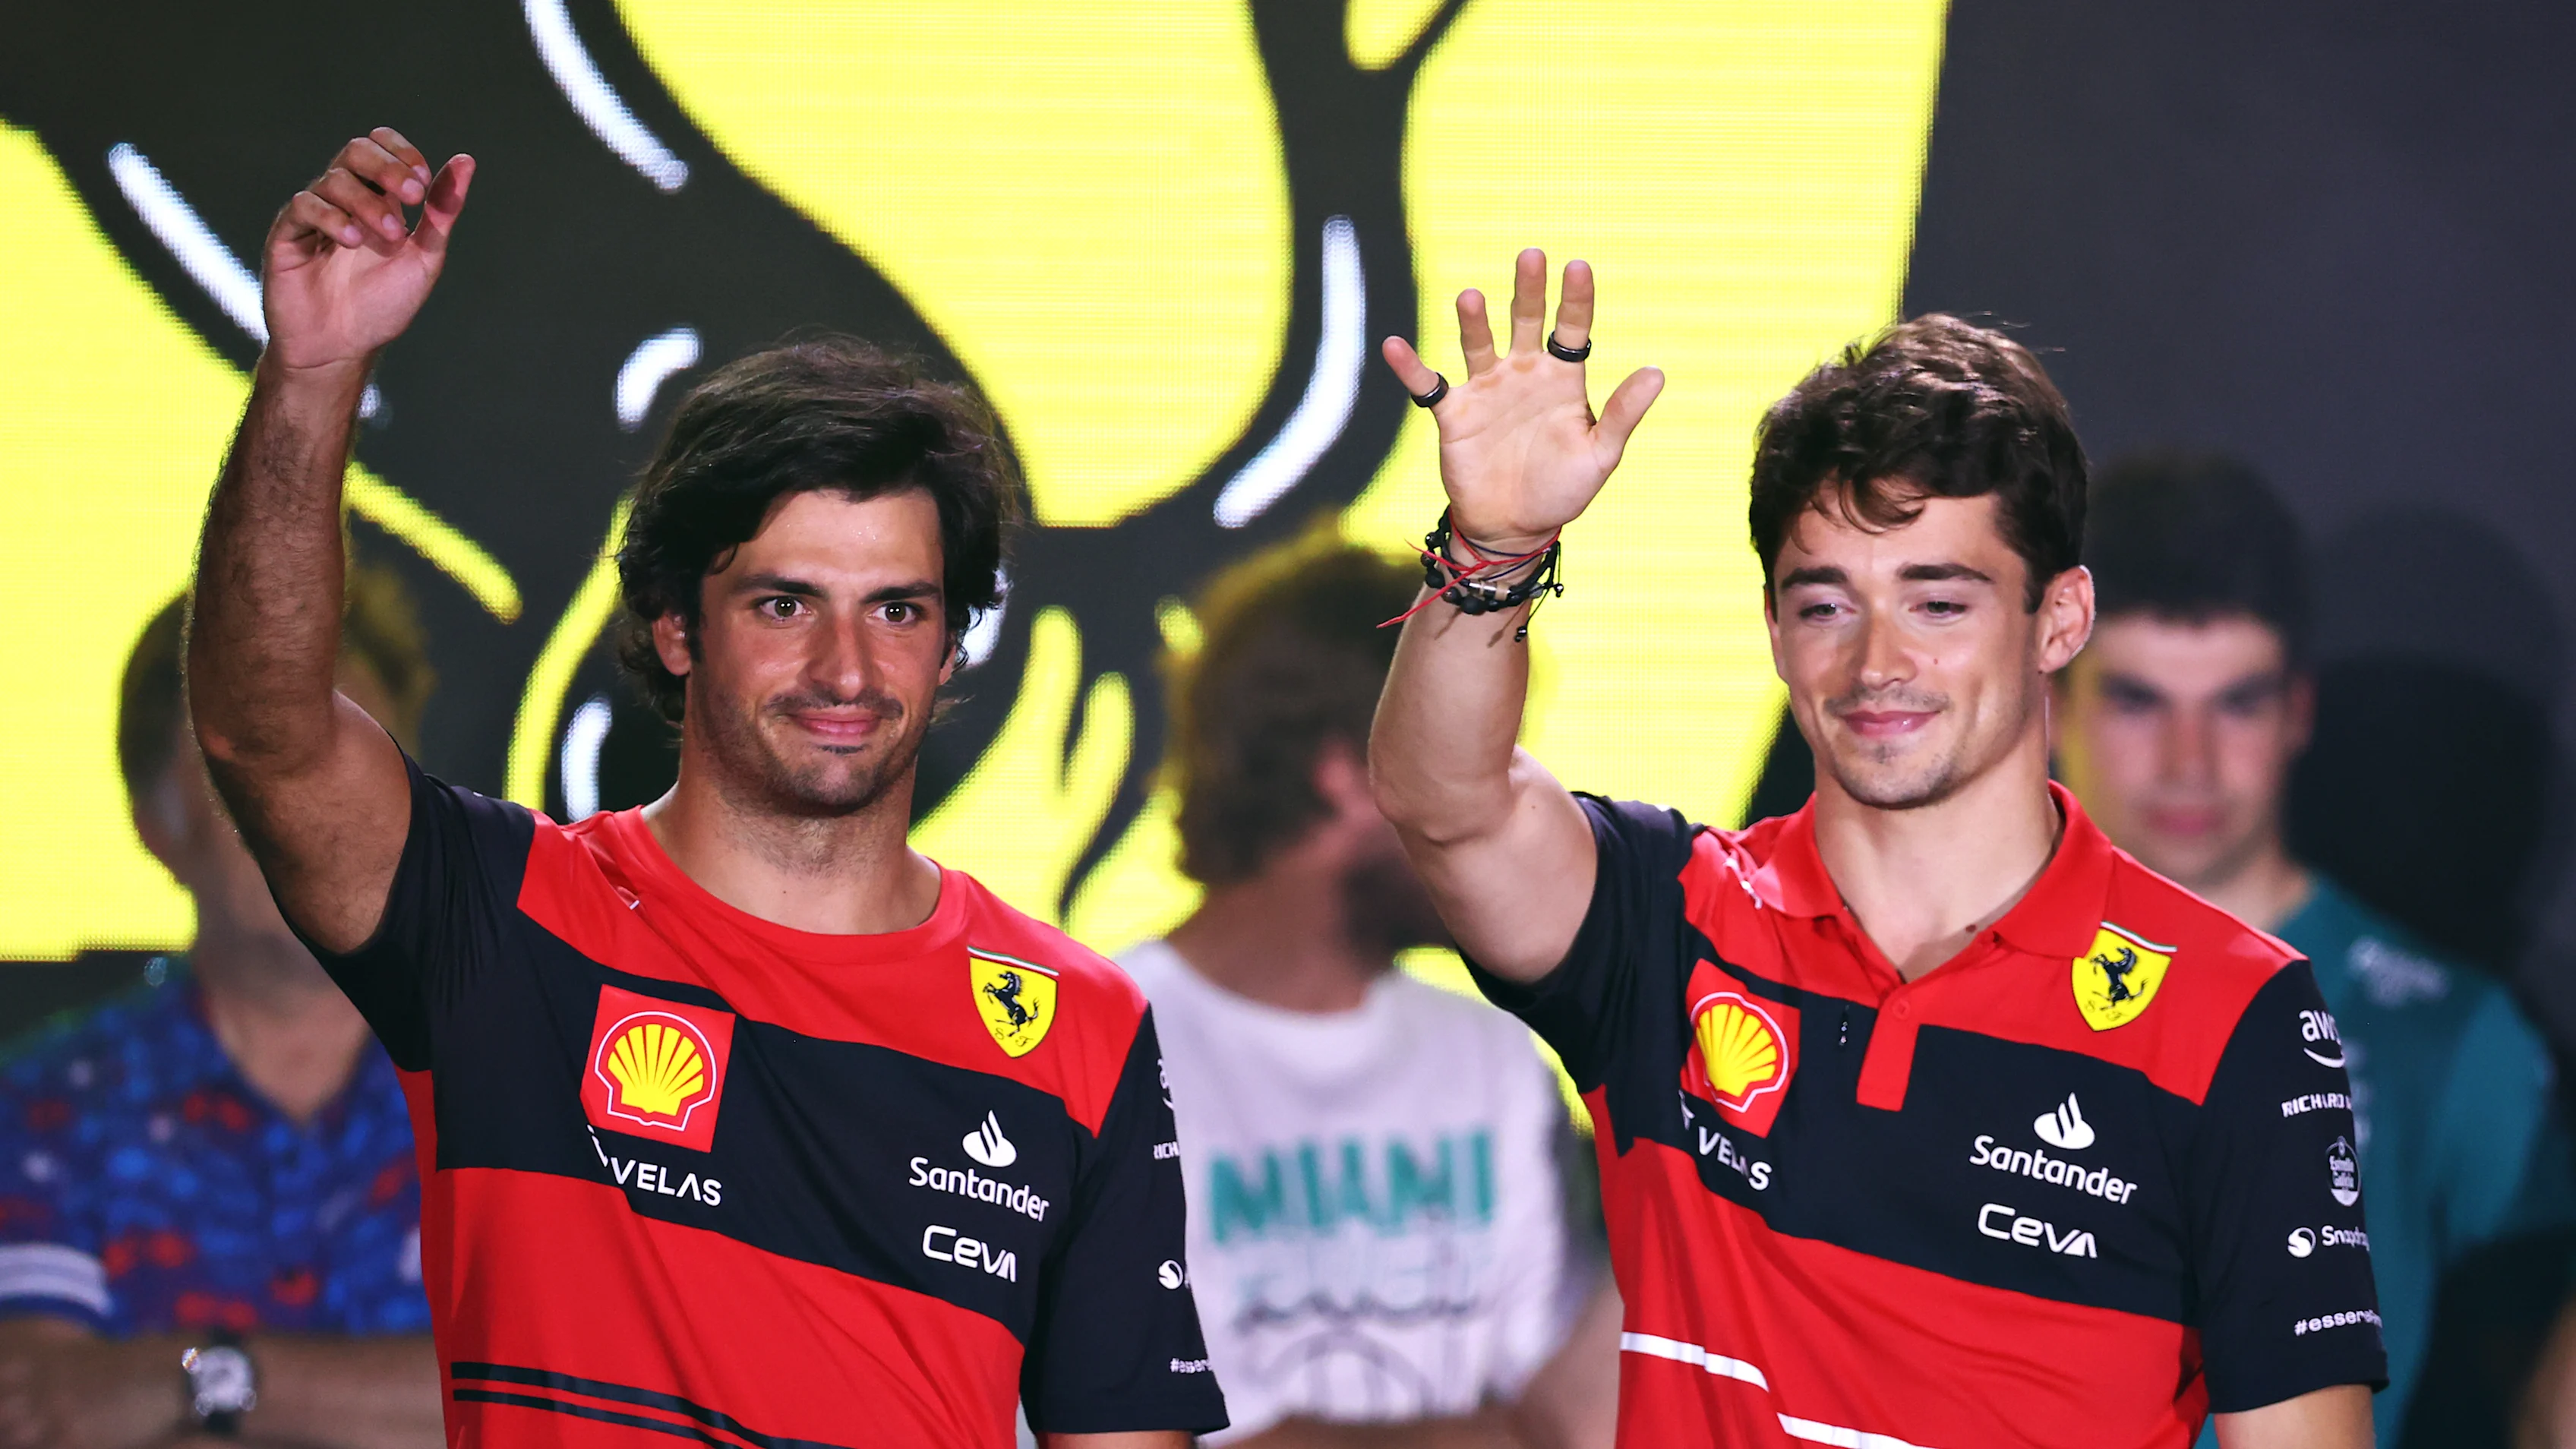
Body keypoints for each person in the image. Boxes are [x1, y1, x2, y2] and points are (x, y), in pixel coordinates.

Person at [182, 128, 1224, 1449]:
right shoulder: (505, 921)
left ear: (951, 642)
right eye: (784, 602)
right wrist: (313, 370)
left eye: (897, 607)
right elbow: (258, 732)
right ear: (677, 627)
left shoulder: (1081, 1028)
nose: (845, 665)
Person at [1368, 251, 2382, 1447]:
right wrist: (1491, 552)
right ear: (1775, 630)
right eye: (1827, 603)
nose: (1877, 664)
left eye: (1938, 602)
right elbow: (1445, 801)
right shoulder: (1673, 923)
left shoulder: (2233, 1011)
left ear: (2060, 618)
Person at [2055, 451, 2576, 1444]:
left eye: (2237, 702)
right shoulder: (1927, 973)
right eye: (2138, 700)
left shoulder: (2448, 1033)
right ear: (2050, 707)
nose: (2189, 764)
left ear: (2299, 710)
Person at [1119, 529, 1620, 1448]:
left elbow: (1579, 1423)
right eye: (1477, 759)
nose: (1505, 810)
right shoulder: (1098, 1053)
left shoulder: (1498, 1062)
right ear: (1349, 771)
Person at [0, 572, 441, 1449]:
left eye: (355, 751)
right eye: (257, 756)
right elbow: (41, 1414)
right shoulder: (45, 1107)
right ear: (153, 819)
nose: (314, 803)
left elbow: (585, 1400)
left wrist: (199, 1378)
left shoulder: (533, 1085)